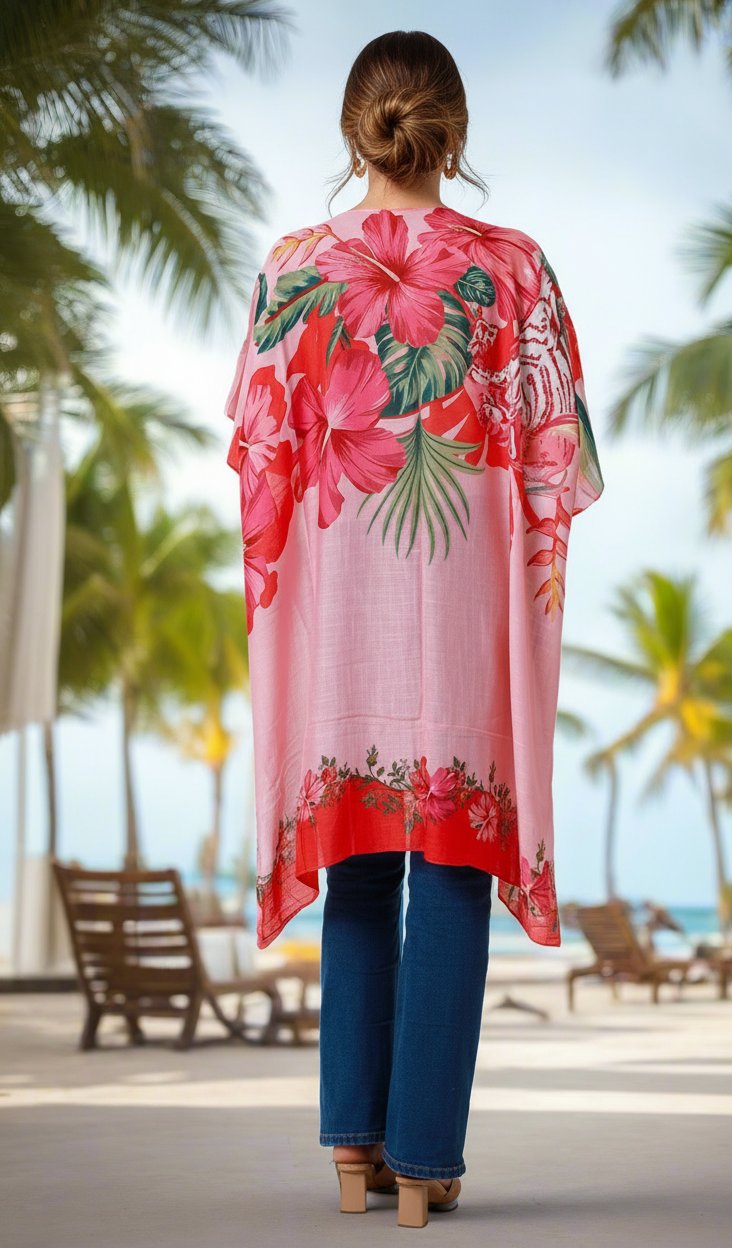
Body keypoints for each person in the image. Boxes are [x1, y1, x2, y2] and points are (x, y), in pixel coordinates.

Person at [225, 29, 603, 1229]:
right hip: (459, 618)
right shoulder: (515, 269)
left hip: (342, 621)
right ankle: (425, 1163)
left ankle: (355, 1154)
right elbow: (556, 462)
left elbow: (258, 462)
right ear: (455, 131)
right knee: (451, 861)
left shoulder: (291, 270)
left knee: (355, 859)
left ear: (356, 131)